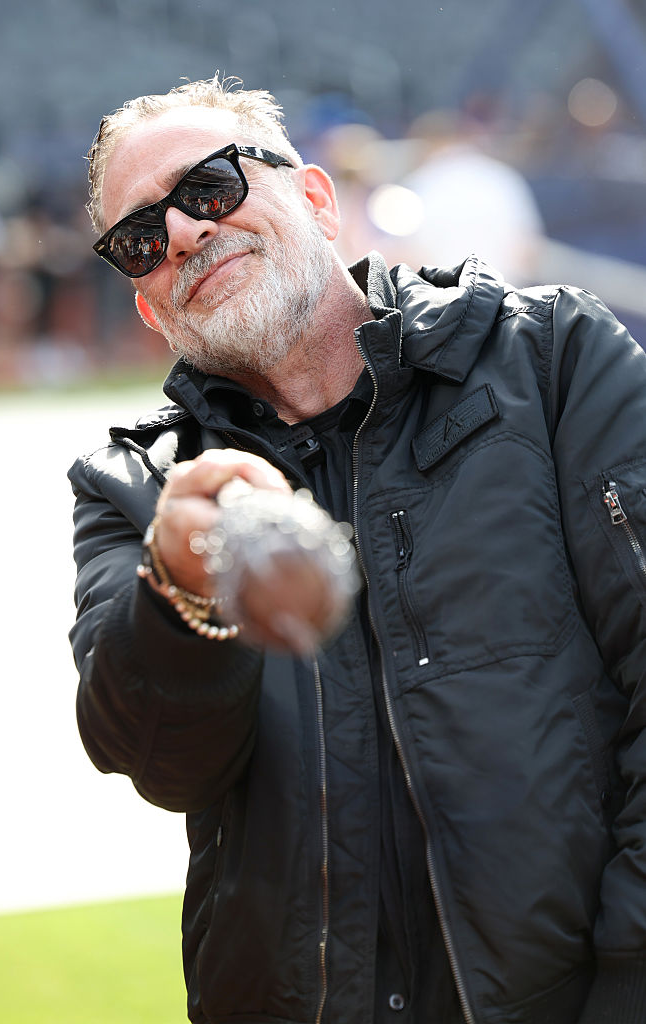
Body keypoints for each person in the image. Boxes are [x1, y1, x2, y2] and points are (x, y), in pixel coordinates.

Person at [69, 76, 646, 1024]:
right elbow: (161, 765)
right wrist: (177, 592)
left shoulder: (550, 360)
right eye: (138, 240)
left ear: (316, 199)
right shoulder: (132, 485)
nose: (178, 234)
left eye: (208, 188)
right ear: (148, 306)